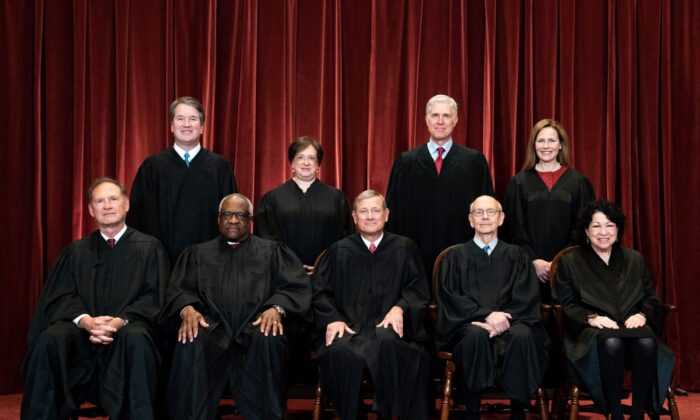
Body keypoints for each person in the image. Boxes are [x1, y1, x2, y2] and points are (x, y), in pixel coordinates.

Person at [21, 177, 170, 420]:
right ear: (91, 209)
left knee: (139, 340)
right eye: (99, 201)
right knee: (49, 340)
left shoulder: (149, 248)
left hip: (127, 332)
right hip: (82, 336)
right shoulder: (75, 251)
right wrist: (86, 321)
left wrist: (119, 321)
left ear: (126, 204)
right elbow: (60, 296)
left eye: (113, 199)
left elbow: (155, 297)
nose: (107, 205)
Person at [161, 193, 311, 420]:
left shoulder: (272, 252)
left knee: (270, 335)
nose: (233, 220)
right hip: (211, 330)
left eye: (240, 215)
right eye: (227, 214)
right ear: (218, 219)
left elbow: (294, 287)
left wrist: (275, 309)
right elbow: (179, 289)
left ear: (250, 219)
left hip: (255, 328)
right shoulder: (197, 254)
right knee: (190, 335)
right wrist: (188, 310)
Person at [313, 190, 431, 420]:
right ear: (355, 217)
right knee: (340, 352)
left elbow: (418, 289)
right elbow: (320, 293)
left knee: (389, 344)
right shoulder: (339, 251)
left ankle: (386, 412)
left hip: (391, 329)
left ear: (386, 215)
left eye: (375, 210)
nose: (370, 216)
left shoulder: (404, 248)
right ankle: (353, 413)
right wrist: (333, 318)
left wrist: (401, 308)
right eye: (363, 211)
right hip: (349, 328)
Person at [553, 199, 675, 420]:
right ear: (586, 231)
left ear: (618, 230)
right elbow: (567, 304)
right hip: (592, 332)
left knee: (647, 342)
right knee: (612, 343)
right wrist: (591, 318)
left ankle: (637, 414)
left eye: (610, 225)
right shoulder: (571, 262)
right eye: (596, 226)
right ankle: (615, 414)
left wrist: (642, 314)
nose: (603, 232)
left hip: (631, 326)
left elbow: (651, 298)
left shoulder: (633, 259)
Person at [435, 195, 548, 420]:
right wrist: (487, 316)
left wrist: (502, 321)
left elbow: (526, 297)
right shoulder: (454, 257)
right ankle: (472, 411)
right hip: (469, 324)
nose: (485, 217)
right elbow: (450, 297)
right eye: (479, 212)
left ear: (501, 218)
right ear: (470, 220)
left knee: (523, 335)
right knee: (474, 336)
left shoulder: (517, 255)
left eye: (491, 212)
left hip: (513, 322)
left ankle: (519, 412)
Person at [386, 94, 494, 282]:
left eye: (446, 116)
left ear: (455, 121)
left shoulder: (474, 161)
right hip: (415, 254)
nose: (440, 121)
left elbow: (488, 212)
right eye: (435, 115)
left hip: (463, 257)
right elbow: (393, 214)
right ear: (426, 120)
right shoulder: (406, 162)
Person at [127, 96, 238, 263]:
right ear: (172, 126)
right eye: (180, 119)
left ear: (201, 127)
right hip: (162, 263)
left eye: (193, 119)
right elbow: (139, 218)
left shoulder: (220, 167)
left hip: (211, 263)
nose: (186, 124)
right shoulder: (152, 167)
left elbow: (232, 217)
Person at [502, 118, 595, 301]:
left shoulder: (579, 182)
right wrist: (533, 261)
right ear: (533, 145)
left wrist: (560, 261)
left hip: (568, 268)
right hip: (527, 269)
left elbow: (584, 228)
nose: (546, 146)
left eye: (551, 140)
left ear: (561, 145)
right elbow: (514, 228)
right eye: (540, 140)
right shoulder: (519, 182)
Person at [254, 136, 353, 275]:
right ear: (292, 163)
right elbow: (265, 241)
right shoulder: (272, 199)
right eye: (300, 157)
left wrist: (323, 265)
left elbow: (345, 239)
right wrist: (289, 267)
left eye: (312, 158)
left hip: (327, 275)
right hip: (284, 276)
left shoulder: (337, 198)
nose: (306, 162)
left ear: (318, 165)